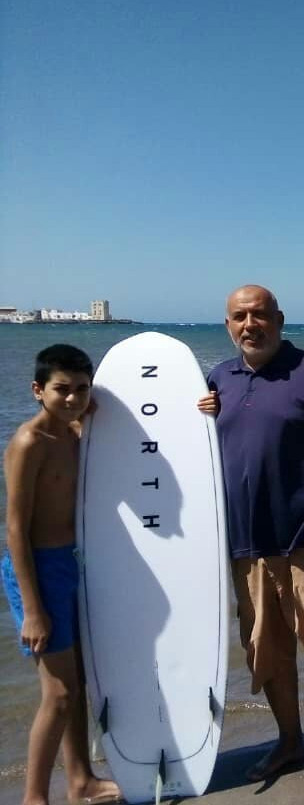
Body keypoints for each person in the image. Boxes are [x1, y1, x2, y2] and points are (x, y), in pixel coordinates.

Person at [197, 285, 304, 788]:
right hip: (244, 547)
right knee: (265, 651)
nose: (250, 324)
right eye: (239, 316)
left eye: (260, 315)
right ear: (227, 325)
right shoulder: (217, 379)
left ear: (279, 318)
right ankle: (290, 741)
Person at [2, 345, 121, 805]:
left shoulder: (76, 433)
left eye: (81, 389)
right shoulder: (29, 442)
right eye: (61, 389)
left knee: (78, 683)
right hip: (36, 568)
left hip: (73, 562)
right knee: (58, 693)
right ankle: (35, 797)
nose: (72, 398)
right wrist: (32, 610)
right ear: (37, 390)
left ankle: (80, 781)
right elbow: (14, 528)